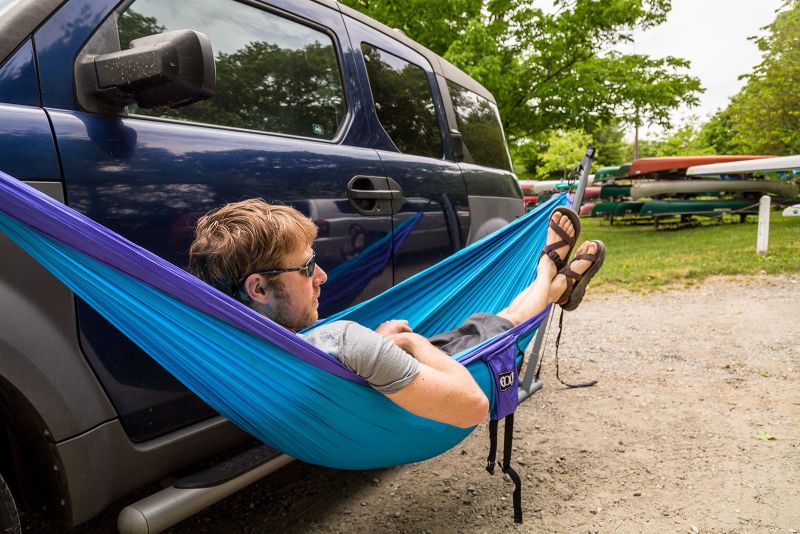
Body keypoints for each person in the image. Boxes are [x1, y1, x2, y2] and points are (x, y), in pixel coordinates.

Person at [189, 200, 604, 428]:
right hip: (435, 368)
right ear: (258, 287)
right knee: (503, 324)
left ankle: (553, 279)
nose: (322, 276)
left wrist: (380, 344)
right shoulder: (346, 338)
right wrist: (408, 342)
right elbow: (473, 406)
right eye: (305, 267)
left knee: (491, 318)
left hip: (386, 369)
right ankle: (551, 275)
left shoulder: (228, 346)